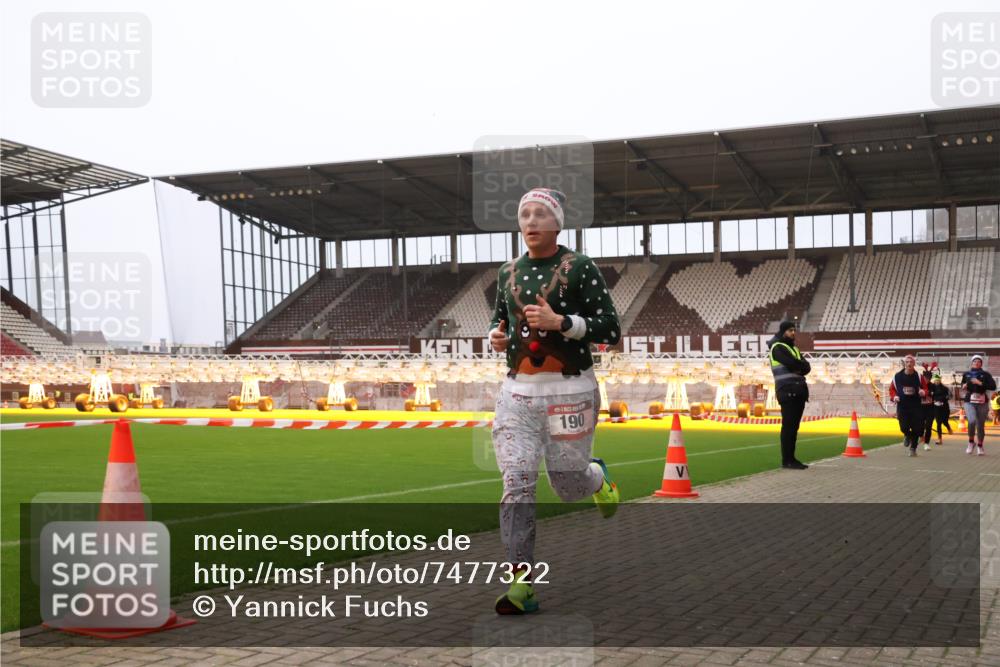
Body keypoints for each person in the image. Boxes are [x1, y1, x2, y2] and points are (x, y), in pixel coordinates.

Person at [488, 187, 621, 615]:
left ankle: (597, 479)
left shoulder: (580, 267)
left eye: (540, 214)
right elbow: (498, 322)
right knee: (517, 484)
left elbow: (610, 329)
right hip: (517, 397)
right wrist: (496, 336)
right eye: (524, 214)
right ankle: (521, 585)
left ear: (558, 223)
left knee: (566, 487)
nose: (530, 221)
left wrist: (560, 322)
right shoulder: (506, 272)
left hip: (571, 394)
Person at [767, 320, 811, 469]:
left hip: (798, 391)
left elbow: (806, 367)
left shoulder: (795, 349)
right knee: (789, 427)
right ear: (783, 331)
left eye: (794, 330)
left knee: (794, 428)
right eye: (790, 330)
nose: (793, 333)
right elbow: (794, 364)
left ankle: (791, 458)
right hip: (787, 391)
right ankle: (787, 460)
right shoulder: (777, 347)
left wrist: (798, 366)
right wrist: (798, 366)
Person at [889, 355, 926, 457]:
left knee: (916, 429)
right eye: (907, 362)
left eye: (911, 362)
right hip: (903, 406)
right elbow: (892, 390)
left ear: (914, 364)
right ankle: (907, 435)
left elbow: (925, 388)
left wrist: (923, 392)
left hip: (916, 406)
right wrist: (894, 397)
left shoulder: (919, 377)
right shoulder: (897, 377)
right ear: (904, 364)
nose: (909, 364)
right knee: (904, 427)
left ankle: (913, 448)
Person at [960, 354, 996, 456]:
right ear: (971, 363)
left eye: (979, 361)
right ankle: (971, 442)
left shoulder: (986, 374)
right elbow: (962, 384)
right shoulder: (966, 374)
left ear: (981, 364)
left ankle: (980, 445)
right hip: (969, 401)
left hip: (982, 401)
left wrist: (980, 383)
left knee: (980, 425)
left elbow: (993, 386)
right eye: (974, 361)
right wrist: (964, 386)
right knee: (971, 421)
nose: (976, 363)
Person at [930, 371, 952, 445]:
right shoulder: (932, 388)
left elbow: (950, 396)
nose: (936, 382)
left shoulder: (945, 388)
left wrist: (945, 398)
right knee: (938, 423)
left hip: (944, 407)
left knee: (944, 421)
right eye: (935, 380)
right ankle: (939, 439)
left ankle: (948, 428)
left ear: (940, 380)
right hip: (936, 408)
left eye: (938, 380)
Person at [919, 363, 937, 451]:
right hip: (921, 408)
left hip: (930, 408)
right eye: (925, 378)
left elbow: (935, 394)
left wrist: (928, 393)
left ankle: (926, 443)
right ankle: (921, 436)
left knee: (929, 426)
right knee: (921, 426)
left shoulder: (933, 386)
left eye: (928, 378)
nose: (926, 380)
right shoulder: (919, 385)